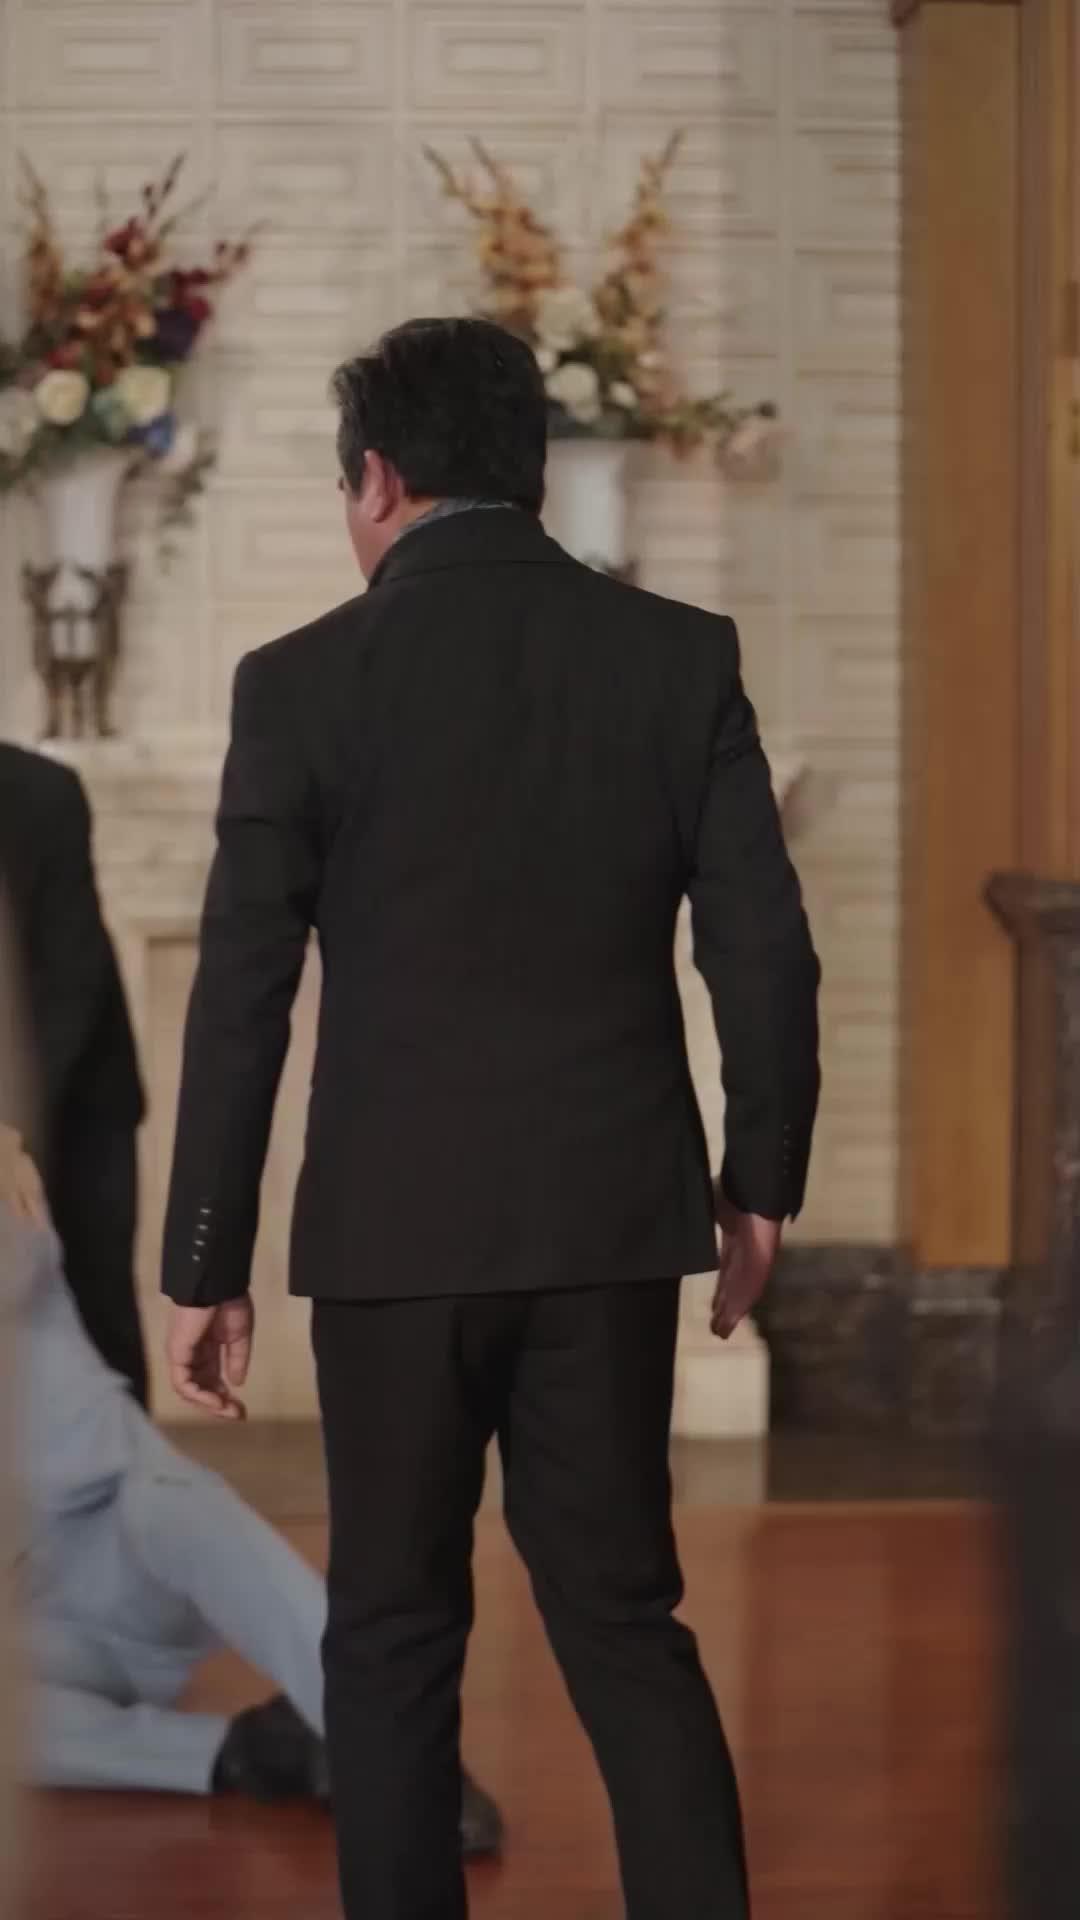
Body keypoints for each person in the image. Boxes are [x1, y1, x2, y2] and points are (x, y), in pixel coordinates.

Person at [162, 316, 821, 1919]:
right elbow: (764, 956)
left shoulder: (299, 684)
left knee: (390, 1634)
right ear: (530, 474)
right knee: (626, 1619)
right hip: (609, 1227)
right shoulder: (677, 657)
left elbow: (243, 991)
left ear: (378, 479)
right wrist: (759, 1186)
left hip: (391, 1241)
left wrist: (205, 1258)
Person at [0, 1123, 502, 1846]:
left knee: (173, 1504)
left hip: (120, 1545)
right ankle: (254, 1752)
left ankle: (399, 1753)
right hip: (39, 1634)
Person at [0, 742, 148, 1404]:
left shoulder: (40, 793)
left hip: (76, 1109)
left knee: (91, 1326)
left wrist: (10, 1126)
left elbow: (67, 982)